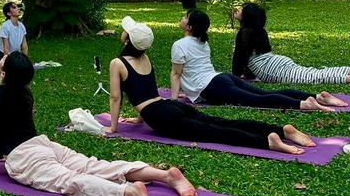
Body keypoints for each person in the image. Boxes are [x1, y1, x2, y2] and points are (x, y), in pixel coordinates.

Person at [0, 52, 198, 196]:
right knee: (96, 165)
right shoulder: (25, 93)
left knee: (69, 181)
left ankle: (128, 192)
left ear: (3, 73)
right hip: (44, 145)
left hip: (22, 157)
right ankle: (164, 175)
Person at [108, 16, 316, 155]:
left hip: (159, 115)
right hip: (168, 106)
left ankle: (267, 142)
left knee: (213, 132)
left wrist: (113, 127)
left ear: (127, 41)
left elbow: (116, 97)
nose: (123, 33)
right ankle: (281, 130)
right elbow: (147, 91)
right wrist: (137, 119)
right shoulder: (145, 58)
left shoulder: (118, 63)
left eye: (126, 32)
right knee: (221, 122)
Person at [172, 10, 345, 111]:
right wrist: (189, 92)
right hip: (221, 78)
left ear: (189, 27)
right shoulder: (202, 42)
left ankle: (304, 104)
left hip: (213, 85)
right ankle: (317, 97)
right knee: (262, 94)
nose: (182, 18)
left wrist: (173, 101)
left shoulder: (179, 45)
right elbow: (195, 71)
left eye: (185, 17)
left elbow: (176, 74)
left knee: (257, 100)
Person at [232, 3, 350, 84]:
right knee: (312, 72)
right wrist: (248, 75)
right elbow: (252, 56)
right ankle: (346, 70)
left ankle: (346, 77)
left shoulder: (245, 32)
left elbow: (240, 57)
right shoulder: (259, 30)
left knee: (312, 77)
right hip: (275, 61)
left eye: (242, 9)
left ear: (247, 16)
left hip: (269, 69)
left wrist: (235, 78)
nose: (238, 10)